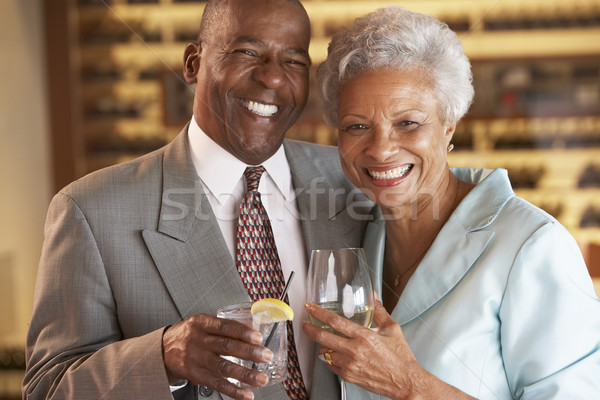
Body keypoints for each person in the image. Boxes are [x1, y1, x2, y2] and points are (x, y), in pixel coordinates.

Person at [23, 1, 372, 399]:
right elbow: (47, 390)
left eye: (294, 61)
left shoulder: (353, 178)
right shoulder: (90, 210)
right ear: (192, 63)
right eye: (248, 52)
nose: (273, 77)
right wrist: (163, 356)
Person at [303, 6, 600, 400]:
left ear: (448, 127)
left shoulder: (533, 246)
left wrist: (411, 386)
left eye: (408, 123)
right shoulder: (359, 236)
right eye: (357, 126)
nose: (381, 149)